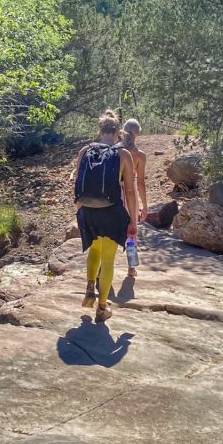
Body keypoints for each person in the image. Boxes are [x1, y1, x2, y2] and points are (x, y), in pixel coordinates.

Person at [72, 113, 139, 322]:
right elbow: (129, 191)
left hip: (88, 211)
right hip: (112, 211)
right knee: (108, 259)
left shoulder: (85, 151)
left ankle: (90, 289)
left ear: (100, 131)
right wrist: (133, 220)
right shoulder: (124, 155)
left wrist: (81, 207)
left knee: (94, 249)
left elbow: (77, 181)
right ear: (118, 132)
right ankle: (102, 308)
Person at [120, 118, 148, 277]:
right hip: (131, 196)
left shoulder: (116, 151)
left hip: (115, 192)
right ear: (137, 134)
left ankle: (101, 269)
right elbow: (141, 183)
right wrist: (144, 205)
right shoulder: (140, 156)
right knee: (132, 232)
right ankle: (131, 267)